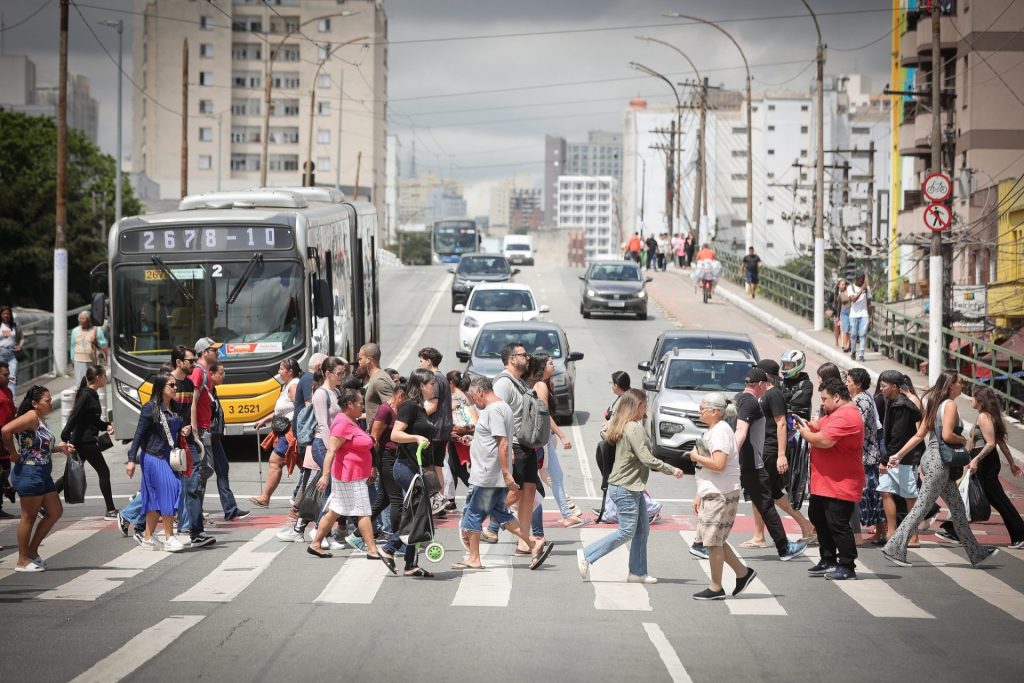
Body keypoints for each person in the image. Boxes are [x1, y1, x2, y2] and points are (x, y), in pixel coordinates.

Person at [882, 371, 998, 568]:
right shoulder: (950, 405)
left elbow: (919, 435)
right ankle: (894, 546)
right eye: (960, 382)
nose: (962, 385)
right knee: (921, 508)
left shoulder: (935, 404)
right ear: (951, 385)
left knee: (958, 509)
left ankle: (976, 553)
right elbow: (947, 435)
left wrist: (898, 455)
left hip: (933, 461)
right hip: (940, 463)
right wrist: (962, 440)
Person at [577, 389, 682, 584]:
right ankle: (587, 555)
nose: (646, 409)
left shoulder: (621, 424)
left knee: (642, 530)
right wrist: (671, 469)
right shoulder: (634, 427)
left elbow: (605, 432)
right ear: (636, 406)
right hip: (626, 488)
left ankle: (638, 573)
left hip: (629, 487)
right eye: (644, 405)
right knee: (627, 531)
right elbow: (646, 457)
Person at [456, 376, 550, 571]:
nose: (474, 401)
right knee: (499, 513)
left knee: (473, 513)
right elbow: (494, 440)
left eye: (474, 396)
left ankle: (474, 558)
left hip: (487, 473)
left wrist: (507, 473)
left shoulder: (495, 410)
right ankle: (533, 542)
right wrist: (474, 440)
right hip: (491, 471)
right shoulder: (502, 407)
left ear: (481, 391)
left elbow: (503, 442)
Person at [687, 392, 754, 600]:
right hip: (715, 491)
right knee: (716, 539)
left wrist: (695, 456)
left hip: (721, 493)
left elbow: (718, 464)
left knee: (713, 542)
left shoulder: (720, 432)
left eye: (703, 409)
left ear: (715, 411)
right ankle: (743, 573)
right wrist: (699, 492)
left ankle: (716, 587)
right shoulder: (716, 429)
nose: (700, 412)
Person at [734, 368, 807, 560]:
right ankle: (783, 547)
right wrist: (731, 456)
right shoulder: (750, 402)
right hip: (752, 463)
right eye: (763, 386)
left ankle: (702, 542)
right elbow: (741, 432)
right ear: (759, 384)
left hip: (754, 460)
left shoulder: (741, 399)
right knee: (766, 503)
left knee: (763, 500)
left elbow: (780, 423)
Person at [796, 378, 865, 581]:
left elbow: (824, 440)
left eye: (825, 398)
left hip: (841, 481)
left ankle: (847, 565)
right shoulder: (836, 413)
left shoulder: (848, 416)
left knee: (838, 523)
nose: (822, 403)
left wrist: (804, 433)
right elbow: (817, 426)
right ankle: (828, 559)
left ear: (836, 397)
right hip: (825, 481)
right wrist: (805, 424)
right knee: (818, 516)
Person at [1, 385, 74, 570]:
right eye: (47, 401)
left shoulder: (40, 419)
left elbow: (38, 447)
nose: (50, 403)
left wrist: (60, 449)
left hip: (42, 472)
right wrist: (13, 454)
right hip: (29, 472)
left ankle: (32, 551)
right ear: (35, 403)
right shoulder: (31, 416)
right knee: (29, 517)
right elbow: (5, 431)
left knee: (55, 511)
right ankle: (22, 560)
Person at [379, 368, 440, 577]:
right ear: (421, 385)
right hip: (405, 467)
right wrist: (415, 438)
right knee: (417, 513)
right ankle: (389, 548)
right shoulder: (409, 406)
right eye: (432, 383)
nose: (435, 386)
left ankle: (410, 564)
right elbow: (395, 434)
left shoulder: (421, 408)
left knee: (418, 513)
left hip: (417, 467)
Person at [747, 360, 817, 545]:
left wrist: (781, 454)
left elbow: (781, 424)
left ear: (765, 376)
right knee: (771, 492)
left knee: (762, 492)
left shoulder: (774, 395)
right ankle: (805, 526)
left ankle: (762, 536)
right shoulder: (764, 395)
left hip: (771, 449)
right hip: (762, 448)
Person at [309, 389, 382, 560]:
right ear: (349, 405)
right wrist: (325, 476)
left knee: (336, 510)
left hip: (351, 474)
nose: (361, 407)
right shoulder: (342, 423)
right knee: (363, 511)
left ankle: (316, 543)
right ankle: (372, 549)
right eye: (359, 403)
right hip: (350, 475)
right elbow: (331, 451)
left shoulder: (350, 420)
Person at [278, 356, 345, 543]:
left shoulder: (336, 392)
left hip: (331, 445)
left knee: (322, 487)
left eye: (343, 373)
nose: (342, 376)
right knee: (328, 487)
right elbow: (323, 425)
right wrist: (332, 448)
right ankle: (319, 531)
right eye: (339, 373)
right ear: (328, 373)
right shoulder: (321, 394)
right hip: (323, 445)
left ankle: (304, 528)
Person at [947, 387, 1023, 548]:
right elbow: (1000, 442)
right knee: (971, 494)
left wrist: (975, 459)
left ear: (980, 400)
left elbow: (991, 443)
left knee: (994, 499)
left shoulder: (984, 416)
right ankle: (954, 529)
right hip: (985, 461)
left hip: (985, 463)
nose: (970, 400)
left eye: (973, 397)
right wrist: (1011, 463)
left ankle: (1020, 534)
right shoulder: (988, 416)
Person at [493, 343, 548, 557]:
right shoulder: (503, 383)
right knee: (513, 493)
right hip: (514, 445)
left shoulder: (519, 382)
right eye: (523, 354)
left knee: (528, 491)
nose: (527, 357)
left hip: (526, 444)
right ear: (511, 358)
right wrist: (505, 447)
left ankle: (524, 542)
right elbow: (498, 415)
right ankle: (478, 519)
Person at [125, 373, 189, 552]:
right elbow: (138, 435)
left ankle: (147, 537)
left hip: (170, 457)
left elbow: (175, 429)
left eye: (176, 385)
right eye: (172, 385)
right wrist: (131, 459)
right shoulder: (150, 408)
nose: (176, 388)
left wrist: (184, 429)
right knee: (170, 489)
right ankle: (169, 537)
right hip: (154, 457)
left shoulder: (174, 407)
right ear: (161, 388)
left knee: (154, 498)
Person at [529, 354, 584, 529]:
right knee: (553, 476)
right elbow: (545, 414)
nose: (554, 365)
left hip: (545, 437)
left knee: (553, 476)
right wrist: (562, 435)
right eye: (550, 363)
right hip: (544, 438)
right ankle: (568, 513)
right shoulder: (540, 386)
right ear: (542, 367)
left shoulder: (544, 384)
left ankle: (568, 512)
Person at [58, 365, 117, 517]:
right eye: (104, 375)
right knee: (104, 471)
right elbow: (74, 416)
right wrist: (64, 437)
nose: (106, 378)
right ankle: (110, 510)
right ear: (98, 377)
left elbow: (92, 418)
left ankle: (43, 504)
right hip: (84, 441)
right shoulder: (86, 395)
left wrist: (106, 425)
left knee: (70, 475)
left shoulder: (91, 394)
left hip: (83, 440)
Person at [877, 370, 924, 547]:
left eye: (884, 386)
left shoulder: (902, 405)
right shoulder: (892, 401)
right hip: (892, 457)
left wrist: (885, 459)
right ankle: (891, 532)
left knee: (909, 496)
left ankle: (914, 536)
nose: (881, 389)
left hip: (904, 458)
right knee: (885, 491)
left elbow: (898, 436)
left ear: (895, 387)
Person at [251, 358, 303, 507]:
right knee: (305, 467)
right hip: (287, 431)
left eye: (281, 369)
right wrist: (264, 420)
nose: (279, 372)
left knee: (275, 461)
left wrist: (297, 429)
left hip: (291, 432)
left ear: (290, 371)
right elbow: (281, 411)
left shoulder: (293, 386)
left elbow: (300, 408)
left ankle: (265, 497)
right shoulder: (287, 385)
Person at [185, 337, 221, 549]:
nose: (216, 352)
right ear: (203, 352)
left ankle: (193, 514)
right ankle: (192, 516)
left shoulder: (205, 371)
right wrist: (195, 427)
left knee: (204, 471)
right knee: (201, 472)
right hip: (200, 428)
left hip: (206, 426)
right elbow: (193, 400)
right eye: (213, 349)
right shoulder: (198, 371)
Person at [846, 368, 884, 542]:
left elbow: (856, 425)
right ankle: (879, 531)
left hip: (866, 454)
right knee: (868, 492)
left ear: (858, 384)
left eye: (849, 381)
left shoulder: (862, 400)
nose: (846, 384)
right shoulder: (861, 397)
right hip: (864, 453)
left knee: (870, 493)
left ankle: (881, 531)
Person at [207, 363, 248, 522]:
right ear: (211, 373)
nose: (223, 376)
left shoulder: (212, 390)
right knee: (197, 477)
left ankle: (230, 509)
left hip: (213, 437)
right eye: (221, 373)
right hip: (206, 437)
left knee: (223, 468)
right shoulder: (204, 391)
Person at [418, 347, 452, 517]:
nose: (420, 363)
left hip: (435, 428)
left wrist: (416, 412)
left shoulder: (434, 380)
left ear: (429, 361)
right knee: (438, 466)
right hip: (444, 428)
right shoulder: (443, 378)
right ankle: (441, 501)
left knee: (430, 467)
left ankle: (437, 500)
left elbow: (432, 405)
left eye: (422, 360)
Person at [369, 382, 407, 537]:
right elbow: (373, 438)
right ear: (400, 395)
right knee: (397, 499)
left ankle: (357, 533)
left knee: (384, 499)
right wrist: (372, 464)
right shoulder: (385, 409)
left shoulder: (401, 409)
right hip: (386, 457)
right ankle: (397, 539)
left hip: (396, 457)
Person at [445, 369, 474, 508]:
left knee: (458, 468)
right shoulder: (467, 395)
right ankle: (450, 500)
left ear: (451, 383)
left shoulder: (454, 396)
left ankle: (477, 491)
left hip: (457, 435)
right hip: (468, 433)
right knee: (452, 466)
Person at [359, 343, 394, 432]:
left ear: (368, 360)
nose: (359, 362)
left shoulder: (379, 380)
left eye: (360, 359)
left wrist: (375, 435)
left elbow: (392, 409)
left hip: (382, 440)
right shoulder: (377, 377)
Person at [70, 310, 107, 385]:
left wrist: (96, 342)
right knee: (80, 382)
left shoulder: (96, 329)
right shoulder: (75, 331)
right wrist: (72, 359)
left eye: (83, 318)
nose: (81, 320)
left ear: (88, 319)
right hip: (78, 359)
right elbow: (73, 346)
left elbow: (104, 344)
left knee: (91, 381)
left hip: (92, 360)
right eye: (80, 318)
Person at [0, 361, 17, 518]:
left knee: (5, 471)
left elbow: (12, 412)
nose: (8, 377)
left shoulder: (8, 392)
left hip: (7, 438)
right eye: (4, 375)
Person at [780, 350, 813, 421]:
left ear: (799, 364)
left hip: (798, 424)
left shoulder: (806, 384)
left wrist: (784, 397)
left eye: (790, 365)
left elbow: (800, 402)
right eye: (785, 364)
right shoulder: (781, 382)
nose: (786, 367)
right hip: (782, 421)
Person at [0, 306, 24, 395]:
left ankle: (12, 401)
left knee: (12, 377)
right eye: (4, 314)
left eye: (8, 314)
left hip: (12, 354)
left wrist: (20, 346)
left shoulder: (14, 326)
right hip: (1, 353)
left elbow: (22, 338)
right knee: (2, 377)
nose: (6, 316)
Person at [847, 273, 870, 362]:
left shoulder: (867, 289)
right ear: (857, 279)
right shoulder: (850, 288)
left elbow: (869, 303)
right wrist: (861, 290)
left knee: (863, 335)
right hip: (853, 315)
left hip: (864, 314)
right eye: (862, 279)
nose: (863, 281)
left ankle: (861, 355)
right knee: (853, 335)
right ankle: (853, 351)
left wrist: (870, 316)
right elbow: (853, 299)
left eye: (864, 279)